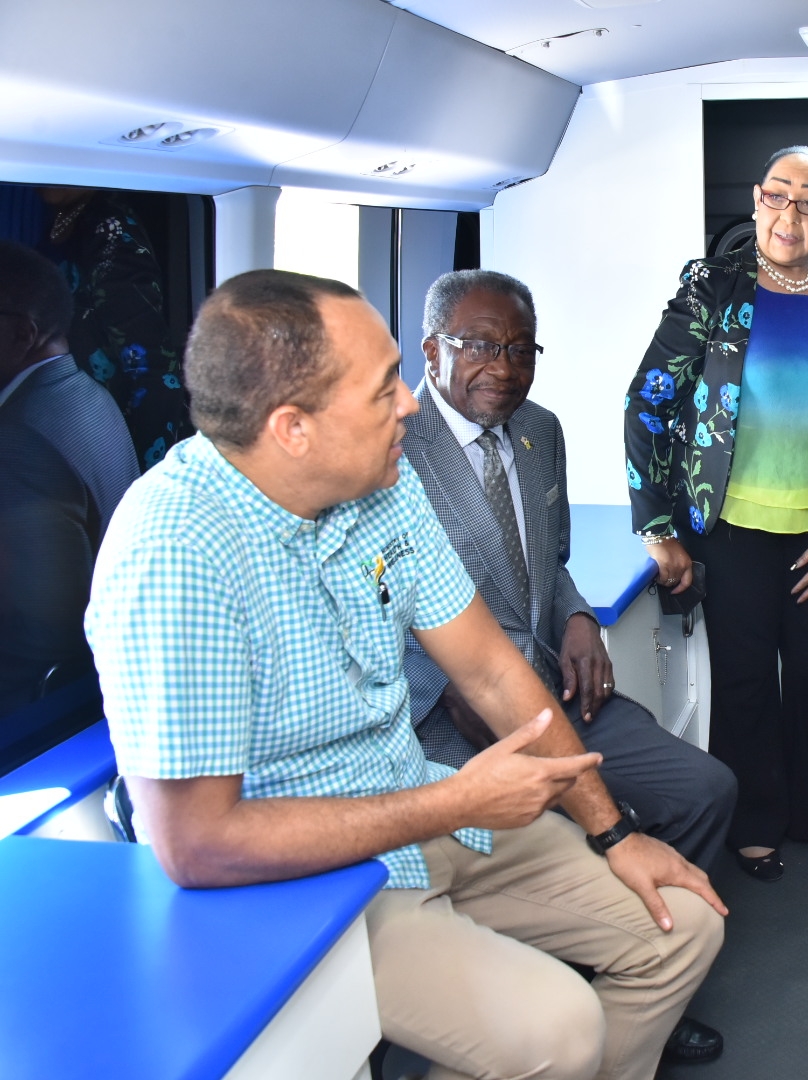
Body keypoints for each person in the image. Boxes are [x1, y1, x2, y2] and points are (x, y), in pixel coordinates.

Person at [85, 269, 726, 1080]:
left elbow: (494, 670)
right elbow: (196, 844)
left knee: (682, 924)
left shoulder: (379, 489)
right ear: (293, 428)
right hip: (304, 882)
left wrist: (614, 834)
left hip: (421, 810)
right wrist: (453, 799)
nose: (412, 404)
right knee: (559, 1031)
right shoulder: (175, 553)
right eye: (385, 387)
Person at [405, 268, 737, 1064]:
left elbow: (546, 563)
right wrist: (449, 682)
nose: (505, 365)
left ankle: (644, 974)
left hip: (549, 685)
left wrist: (581, 614)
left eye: (521, 348)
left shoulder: (538, 430)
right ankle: (578, 978)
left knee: (704, 790)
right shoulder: (393, 448)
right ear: (430, 349)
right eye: (479, 344)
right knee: (549, 822)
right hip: (445, 721)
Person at [623, 145, 808, 882]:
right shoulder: (713, 290)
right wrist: (658, 526)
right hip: (732, 529)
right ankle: (756, 819)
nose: (789, 214)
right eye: (777, 195)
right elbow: (645, 404)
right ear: (755, 200)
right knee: (745, 681)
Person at [0, 239, 139, 715]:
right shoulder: (87, 395)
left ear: (23, 334)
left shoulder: (17, 441)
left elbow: (43, 638)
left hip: (38, 705)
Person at [39, 186, 193, 468]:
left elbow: (154, 369)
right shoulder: (59, 219)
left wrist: (142, 479)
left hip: (113, 438)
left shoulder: (110, 228)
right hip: (76, 426)